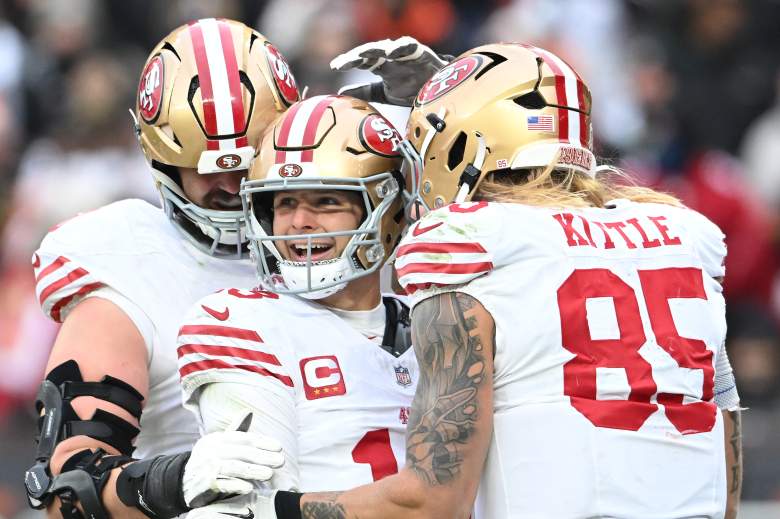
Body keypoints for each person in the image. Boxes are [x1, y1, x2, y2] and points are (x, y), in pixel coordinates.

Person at [189, 42, 743, 519]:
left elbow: (434, 500)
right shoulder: (683, 232)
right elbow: (725, 440)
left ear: (466, 144)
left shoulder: (467, 240)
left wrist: (275, 508)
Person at [25, 18, 300, 519]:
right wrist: (176, 478)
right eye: (208, 166)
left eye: (249, 161)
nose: (235, 184)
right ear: (161, 159)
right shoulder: (132, 270)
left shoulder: (347, 231)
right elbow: (69, 494)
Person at [176, 94, 417, 495]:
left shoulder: (435, 322)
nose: (299, 223)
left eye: (326, 201)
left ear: (385, 210)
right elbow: (260, 503)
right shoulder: (244, 325)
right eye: (285, 203)